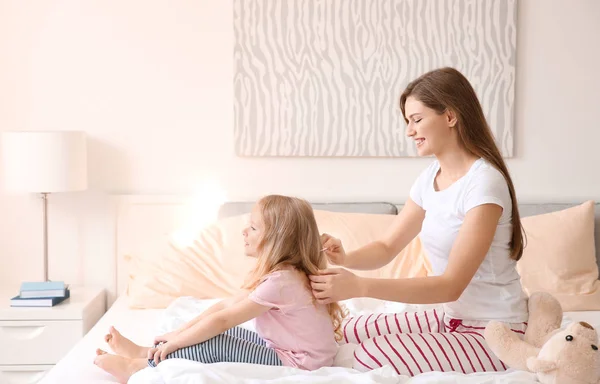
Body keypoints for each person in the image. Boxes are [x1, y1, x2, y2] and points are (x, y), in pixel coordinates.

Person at [309, 67, 528, 376]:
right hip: (453, 318)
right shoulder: (429, 179)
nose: (409, 131)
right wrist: (344, 257)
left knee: (372, 355)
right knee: (348, 328)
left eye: (416, 119)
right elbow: (387, 246)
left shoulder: (483, 184)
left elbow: (451, 285)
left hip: (494, 330)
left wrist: (359, 286)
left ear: (450, 117)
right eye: (408, 122)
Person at [94, 195, 346, 383]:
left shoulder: (282, 282)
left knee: (215, 342)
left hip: (302, 364)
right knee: (223, 333)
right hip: (295, 350)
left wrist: (175, 343)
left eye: (254, 228)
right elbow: (226, 306)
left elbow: (223, 320)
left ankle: (139, 367)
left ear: (277, 240)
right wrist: (176, 334)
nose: (244, 231)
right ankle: (146, 352)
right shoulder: (283, 274)